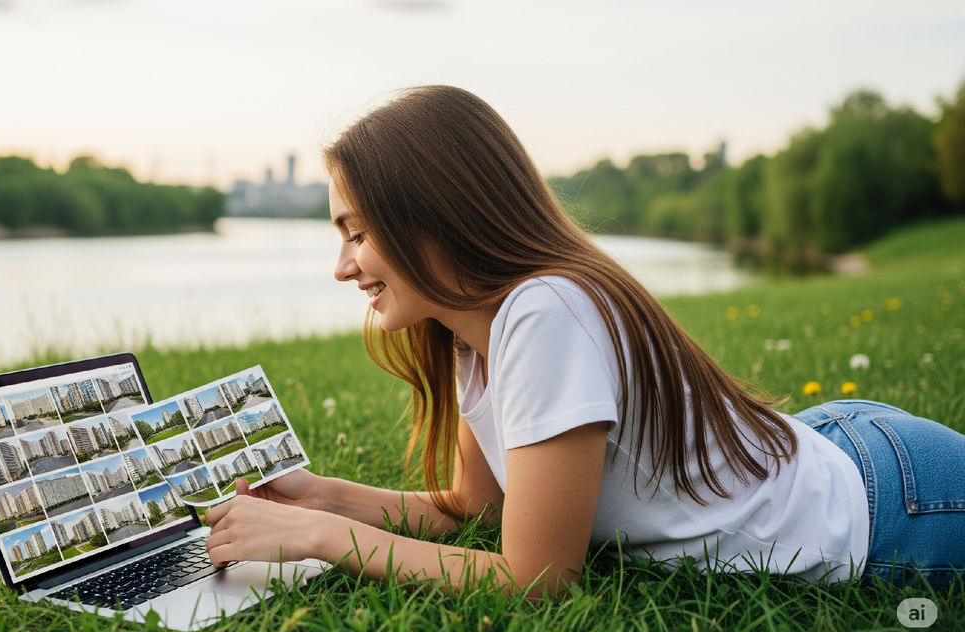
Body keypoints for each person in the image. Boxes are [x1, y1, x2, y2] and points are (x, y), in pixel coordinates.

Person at [205, 85, 965, 594]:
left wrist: (317, 535)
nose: (343, 267)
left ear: (431, 215)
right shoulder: (476, 336)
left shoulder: (547, 312)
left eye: (358, 233)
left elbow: (538, 576)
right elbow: (473, 505)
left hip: (895, 506)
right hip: (832, 441)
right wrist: (328, 495)